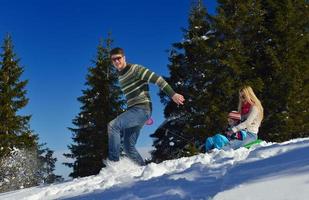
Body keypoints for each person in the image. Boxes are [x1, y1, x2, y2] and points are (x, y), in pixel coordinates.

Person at [108, 47, 185, 166]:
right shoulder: (120, 76)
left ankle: (113, 165)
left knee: (113, 126)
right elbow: (132, 96)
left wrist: (172, 94)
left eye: (118, 58)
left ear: (124, 57)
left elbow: (158, 79)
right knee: (128, 147)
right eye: (114, 60)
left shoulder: (135, 69)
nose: (116, 61)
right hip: (136, 112)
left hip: (142, 109)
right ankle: (143, 171)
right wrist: (142, 118)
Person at [224, 85, 264, 150]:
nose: (242, 99)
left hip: (250, 135)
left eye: (243, 96)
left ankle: (214, 154)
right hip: (240, 133)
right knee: (223, 140)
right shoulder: (243, 108)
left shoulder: (255, 107)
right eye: (240, 97)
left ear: (249, 95)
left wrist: (234, 129)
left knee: (230, 145)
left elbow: (247, 123)